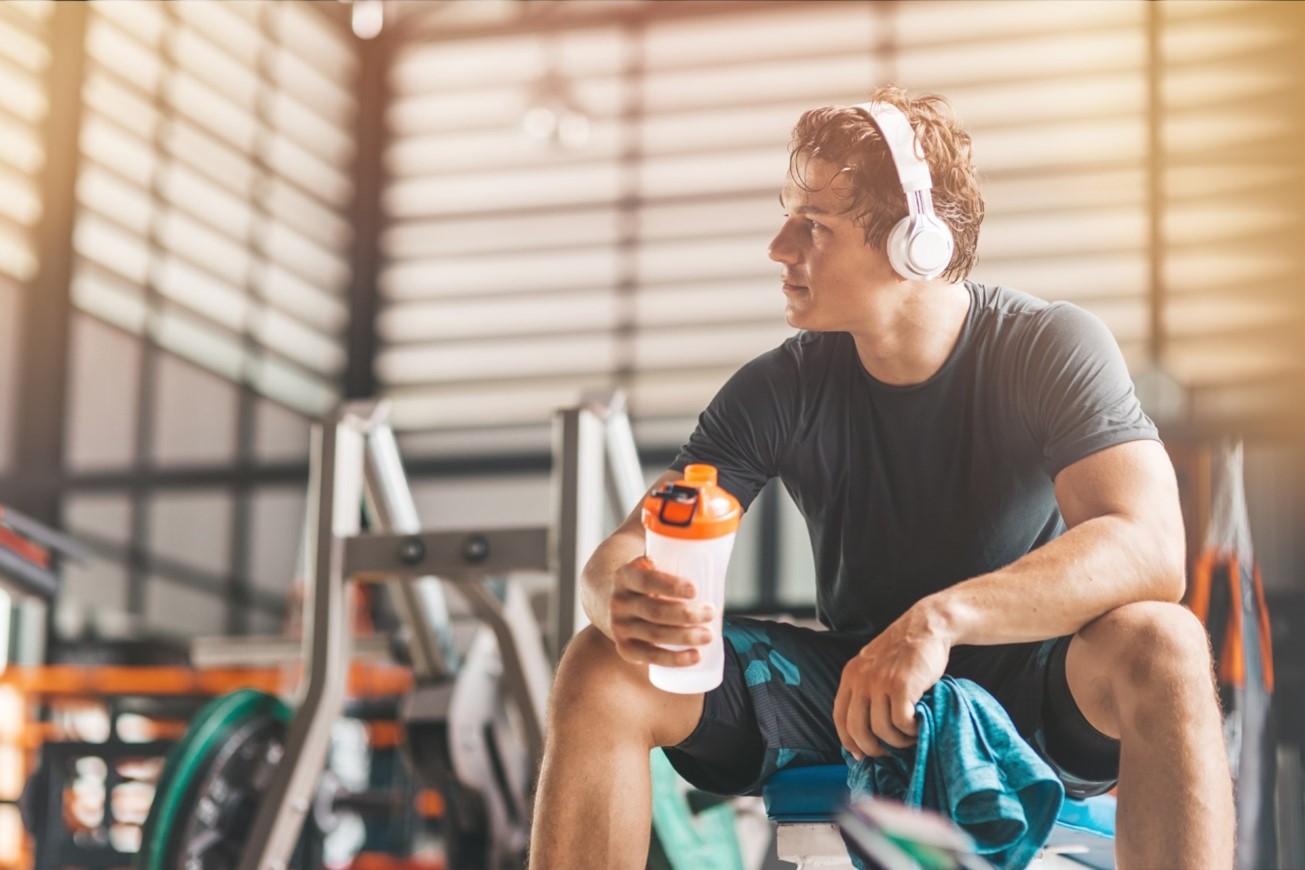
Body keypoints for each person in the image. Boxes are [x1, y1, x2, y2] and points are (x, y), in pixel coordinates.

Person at [529, 86, 1233, 869]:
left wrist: (937, 622)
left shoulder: (1048, 345)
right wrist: (617, 593)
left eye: (813, 226)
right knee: (600, 668)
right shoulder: (779, 386)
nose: (778, 247)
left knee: (1164, 641)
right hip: (851, 694)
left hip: (1029, 683)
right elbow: (635, 542)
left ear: (914, 245)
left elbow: (1149, 549)